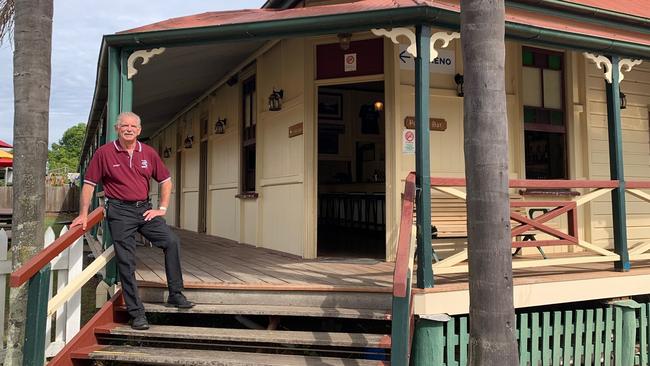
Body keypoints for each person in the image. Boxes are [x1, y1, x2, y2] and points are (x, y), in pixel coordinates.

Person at [72, 111, 193, 330]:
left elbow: (166, 181)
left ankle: (175, 293)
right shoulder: (104, 153)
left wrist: (162, 209)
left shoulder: (148, 153)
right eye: (124, 126)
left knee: (171, 241)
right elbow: (89, 184)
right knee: (127, 261)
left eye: (133, 126)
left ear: (139, 130)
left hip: (145, 210)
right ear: (117, 129)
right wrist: (82, 214)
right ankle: (136, 313)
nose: (129, 129)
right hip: (119, 212)